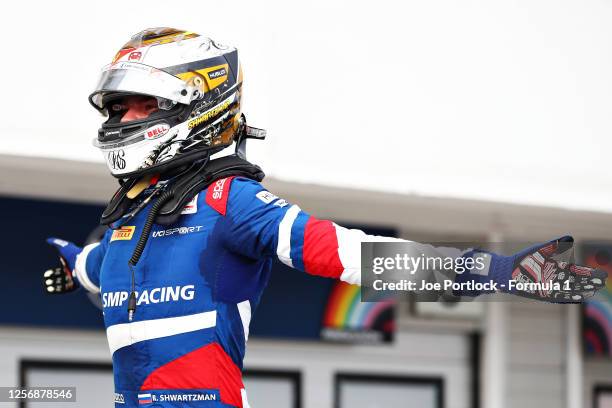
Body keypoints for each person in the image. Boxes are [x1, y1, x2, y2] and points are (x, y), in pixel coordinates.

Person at [44, 28, 607, 408]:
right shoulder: (128, 223)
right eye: (118, 107)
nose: (124, 118)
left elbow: (355, 256)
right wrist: (72, 268)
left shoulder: (229, 203)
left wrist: (501, 270)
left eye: (143, 104)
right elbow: (97, 265)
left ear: (195, 107)